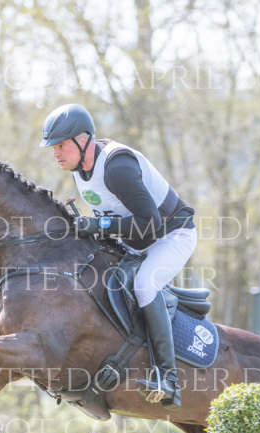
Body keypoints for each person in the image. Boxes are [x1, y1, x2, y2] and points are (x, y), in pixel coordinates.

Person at [39, 103, 197, 408]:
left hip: (171, 236)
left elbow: (150, 222)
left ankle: (168, 379)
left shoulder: (116, 168)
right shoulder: (79, 169)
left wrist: (99, 225)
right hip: (136, 241)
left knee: (144, 285)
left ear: (82, 140)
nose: (56, 154)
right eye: (54, 148)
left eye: (60, 146)